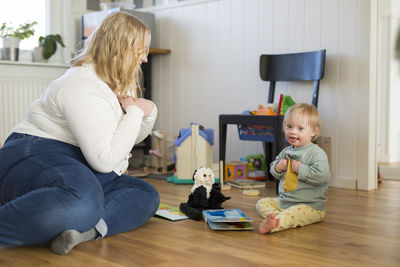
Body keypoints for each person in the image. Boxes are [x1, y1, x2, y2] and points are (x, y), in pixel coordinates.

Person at [0, 12, 160, 255]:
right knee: (83, 201)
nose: (146, 58)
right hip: (36, 152)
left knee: (146, 194)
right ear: (119, 48)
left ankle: (84, 231)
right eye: (140, 50)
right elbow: (105, 160)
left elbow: (122, 142)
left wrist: (147, 113)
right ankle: (73, 216)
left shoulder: (112, 83)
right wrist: (135, 113)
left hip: (79, 162)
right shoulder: (81, 85)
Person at [256, 103, 330, 234]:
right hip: (286, 201)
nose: (293, 131)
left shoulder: (316, 153)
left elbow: (322, 176)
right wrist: (278, 167)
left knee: (293, 214)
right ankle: (277, 218)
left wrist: (301, 169)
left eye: (300, 128)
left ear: (314, 131)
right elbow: (274, 171)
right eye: (289, 126)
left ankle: (275, 223)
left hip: (309, 206)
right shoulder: (286, 151)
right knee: (261, 203)